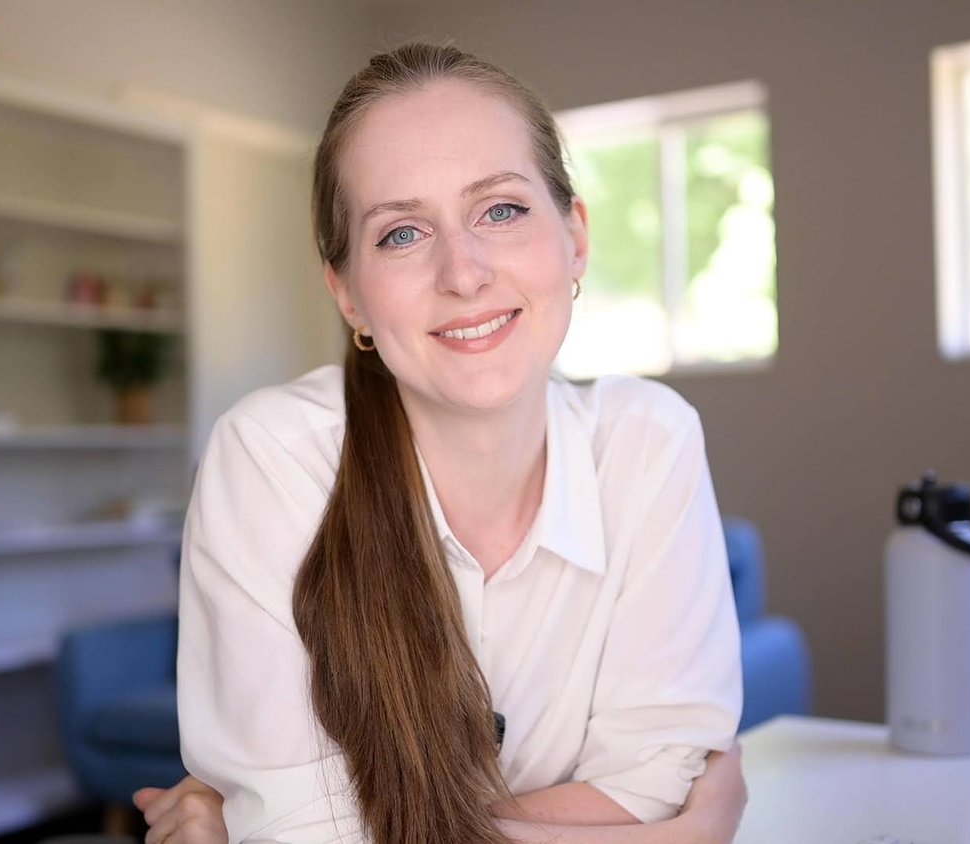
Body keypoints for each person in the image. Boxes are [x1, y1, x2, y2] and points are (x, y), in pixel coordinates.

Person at [134, 42, 750, 844]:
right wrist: (674, 838)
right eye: (401, 233)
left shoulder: (648, 443)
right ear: (347, 293)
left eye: (501, 210)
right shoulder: (274, 459)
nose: (463, 273)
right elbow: (298, 835)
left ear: (575, 236)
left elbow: (658, 782)